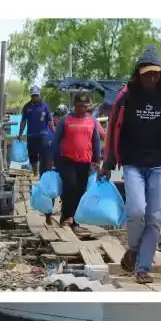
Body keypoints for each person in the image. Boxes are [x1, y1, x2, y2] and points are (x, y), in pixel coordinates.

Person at [100, 45, 161, 285]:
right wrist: (107, 163)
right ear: (138, 73)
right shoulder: (126, 96)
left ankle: (143, 266)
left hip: (160, 165)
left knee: (154, 217)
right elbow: (112, 132)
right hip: (133, 164)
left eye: (155, 73)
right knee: (137, 210)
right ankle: (133, 247)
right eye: (147, 73)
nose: (152, 77)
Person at [51, 92, 101, 227]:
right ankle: (67, 216)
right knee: (70, 187)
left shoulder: (92, 121)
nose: (82, 109)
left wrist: (97, 159)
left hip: (85, 162)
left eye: (85, 106)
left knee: (81, 189)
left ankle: (75, 219)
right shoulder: (65, 120)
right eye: (79, 106)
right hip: (67, 160)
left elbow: (96, 140)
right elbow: (56, 141)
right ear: (74, 105)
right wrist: (53, 159)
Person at [18, 85, 55, 177]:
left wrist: (55, 133)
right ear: (31, 96)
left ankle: (42, 175)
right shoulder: (27, 107)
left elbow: (50, 122)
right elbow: (23, 121)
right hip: (31, 136)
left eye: (36, 95)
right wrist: (20, 134)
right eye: (33, 95)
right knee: (32, 157)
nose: (35, 97)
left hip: (43, 136)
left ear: (39, 95)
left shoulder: (45, 106)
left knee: (44, 156)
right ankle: (35, 173)